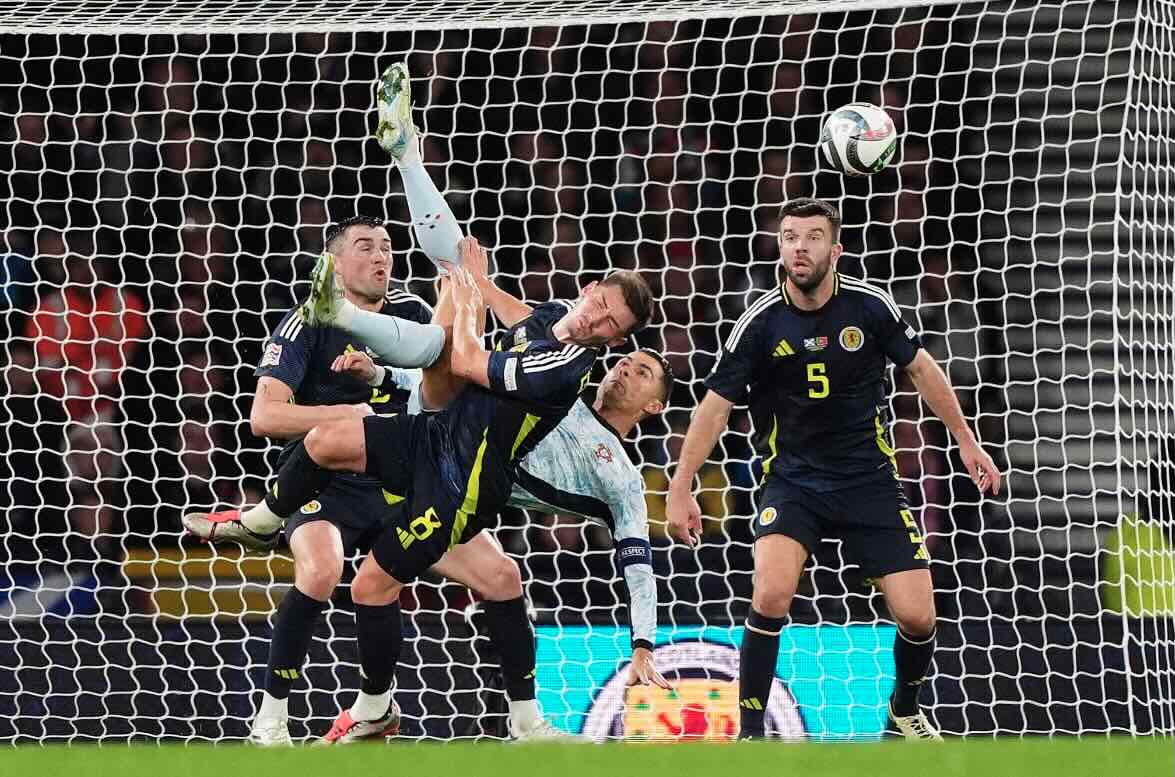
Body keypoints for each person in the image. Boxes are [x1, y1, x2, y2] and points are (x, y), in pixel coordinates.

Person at [184, 62, 656, 743]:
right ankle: (264, 524)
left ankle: (462, 714)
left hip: (459, 474)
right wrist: (462, 291)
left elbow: (461, 356)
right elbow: (460, 270)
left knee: (405, 580)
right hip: (421, 437)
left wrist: (455, 300)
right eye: (597, 306)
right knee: (329, 442)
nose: (594, 321)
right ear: (584, 290)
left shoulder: (564, 369)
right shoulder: (549, 314)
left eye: (610, 327)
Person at [665, 197, 1001, 740]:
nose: (800, 246)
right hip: (794, 480)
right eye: (790, 236)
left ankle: (903, 710)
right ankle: (750, 734)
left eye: (813, 236)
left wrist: (967, 442)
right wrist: (682, 486)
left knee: (919, 617)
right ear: (779, 247)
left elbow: (921, 368)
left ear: (836, 249)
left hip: (868, 477)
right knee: (770, 594)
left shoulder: (870, 307)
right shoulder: (758, 323)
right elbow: (714, 406)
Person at [185, 214, 434, 746]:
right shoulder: (305, 322)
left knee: (499, 575)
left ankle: (519, 722)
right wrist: (349, 418)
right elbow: (265, 418)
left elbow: (447, 385)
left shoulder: (414, 313)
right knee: (322, 569)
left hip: (402, 479)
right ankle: (270, 720)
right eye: (364, 247)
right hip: (322, 480)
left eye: (387, 247)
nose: (380, 257)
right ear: (334, 264)